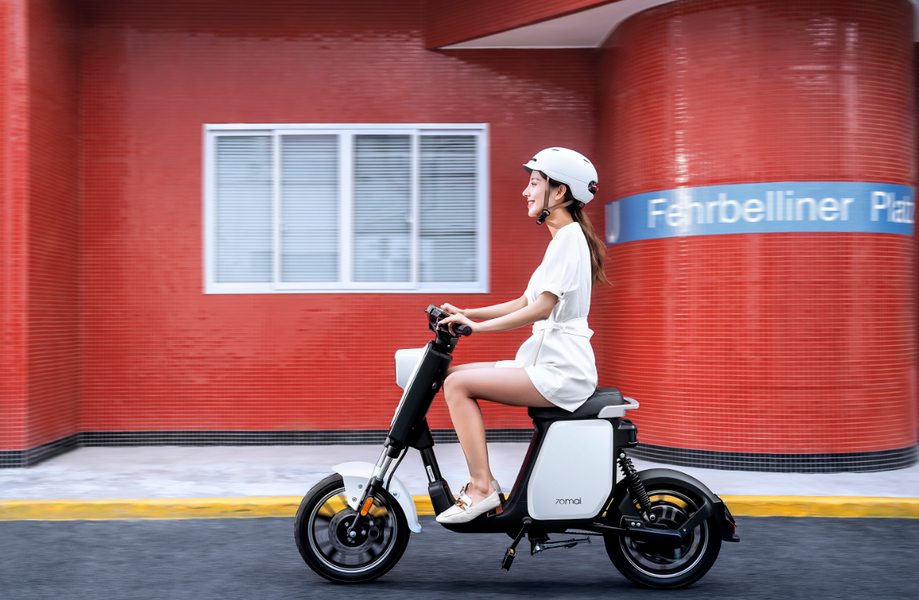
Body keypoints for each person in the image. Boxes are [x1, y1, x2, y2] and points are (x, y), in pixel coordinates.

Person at [435, 147, 610, 525]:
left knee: (457, 385)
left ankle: (481, 487)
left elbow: (541, 309)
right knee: (451, 375)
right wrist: (467, 313)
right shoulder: (564, 239)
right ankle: (482, 486)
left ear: (559, 192)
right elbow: (524, 301)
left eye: (534, 183)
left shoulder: (569, 238)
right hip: (546, 361)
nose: (525, 192)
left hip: (561, 370)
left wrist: (477, 329)